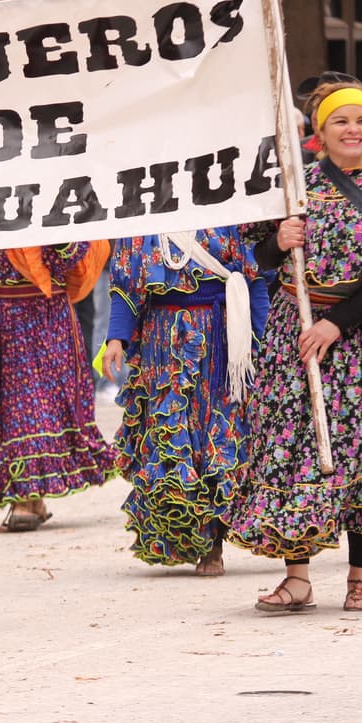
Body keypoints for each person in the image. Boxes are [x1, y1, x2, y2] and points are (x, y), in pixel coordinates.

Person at [227, 80, 362, 612]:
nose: (353, 130)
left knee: (359, 450)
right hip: (292, 333)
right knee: (289, 446)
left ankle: (359, 576)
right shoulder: (292, 187)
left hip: (359, 335)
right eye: (340, 121)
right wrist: (278, 243)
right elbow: (253, 255)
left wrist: (335, 324)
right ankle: (296, 576)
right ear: (319, 131)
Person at [100, 228, 269, 575]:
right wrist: (116, 338)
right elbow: (126, 285)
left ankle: (214, 542)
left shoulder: (231, 217)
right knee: (170, 436)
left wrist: (264, 340)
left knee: (215, 437)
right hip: (162, 342)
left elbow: (255, 280)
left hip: (221, 340)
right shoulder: (146, 222)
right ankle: (184, 535)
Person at [0, 242, 117, 531]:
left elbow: (78, 254)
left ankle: (26, 498)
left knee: (39, 408)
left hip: (47, 315)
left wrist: (58, 237)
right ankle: (30, 499)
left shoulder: (57, 214)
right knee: (7, 411)